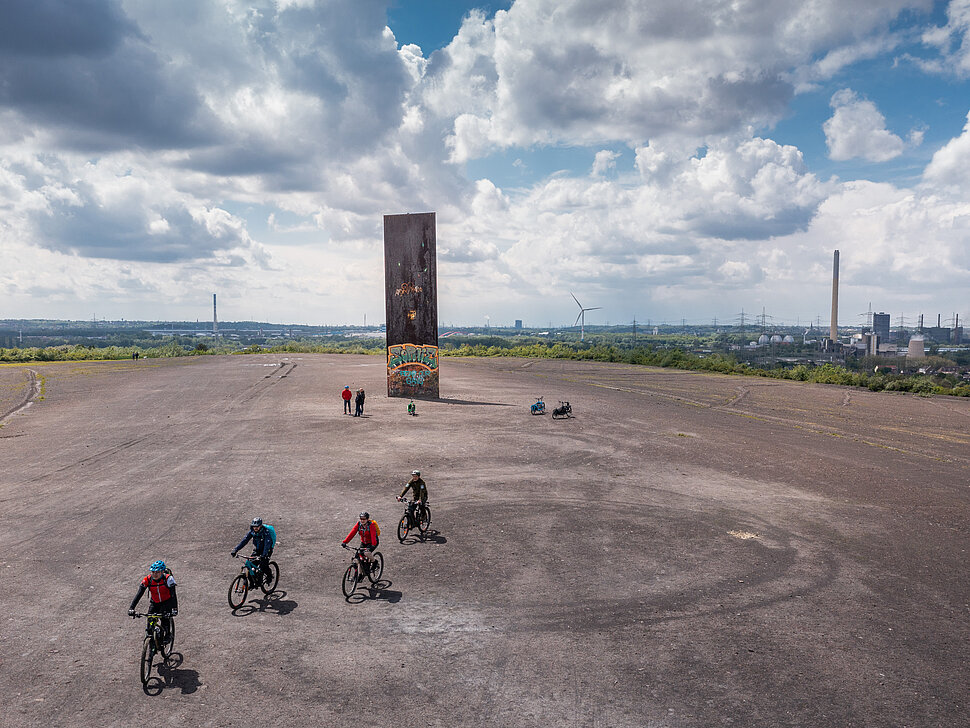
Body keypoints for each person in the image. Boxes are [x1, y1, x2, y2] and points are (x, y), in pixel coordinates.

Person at [128, 560, 178, 643]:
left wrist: (174, 609)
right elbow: (139, 594)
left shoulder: (168, 579)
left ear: (162, 572)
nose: (154, 574)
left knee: (165, 620)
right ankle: (150, 643)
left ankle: (168, 635)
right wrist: (131, 608)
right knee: (150, 623)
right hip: (155, 603)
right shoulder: (147, 579)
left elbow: (173, 595)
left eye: (157, 572)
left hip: (166, 602)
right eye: (153, 572)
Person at [231, 517, 275, 583]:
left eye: (257, 526)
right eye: (254, 526)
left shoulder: (266, 532)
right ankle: (252, 583)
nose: (255, 528)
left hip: (267, 550)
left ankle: (269, 576)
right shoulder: (252, 532)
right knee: (250, 565)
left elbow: (267, 544)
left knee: (263, 565)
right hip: (258, 549)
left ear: (260, 526)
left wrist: (264, 555)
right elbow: (244, 540)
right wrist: (236, 549)